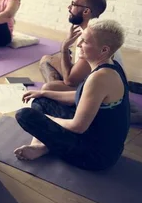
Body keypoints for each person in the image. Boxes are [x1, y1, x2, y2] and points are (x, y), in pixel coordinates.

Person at [14, 20, 129, 171]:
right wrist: (44, 92)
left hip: (96, 156)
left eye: (85, 41)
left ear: (104, 50)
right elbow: (82, 96)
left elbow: (78, 126)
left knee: (24, 115)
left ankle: (42, 146)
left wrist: (46, 118)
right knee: (41, 100)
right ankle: (42, 146)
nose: (79, 44)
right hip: (96, 135)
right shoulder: (112, 65)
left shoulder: (100, 77)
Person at [39, 0, 123, 90]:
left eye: (73, 4)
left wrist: (64, 48)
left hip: (101, 90)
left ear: (86, 11)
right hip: (91, 76)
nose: (69, 7)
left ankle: (59, 98)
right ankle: (58, 96)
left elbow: (69, 80)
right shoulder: (92, 29)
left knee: (48, 88)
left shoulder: (93, 37)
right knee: (46, 60)